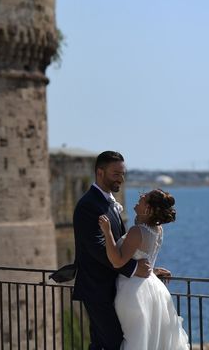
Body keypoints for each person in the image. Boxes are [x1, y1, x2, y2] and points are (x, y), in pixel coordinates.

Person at [72, 150, 151, 350]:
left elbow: (121, 245)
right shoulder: (88, 205)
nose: (121, 179)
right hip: (97, 288)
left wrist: (151, 273)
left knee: (102, 345)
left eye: (123, 174)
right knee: (113, 343)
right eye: (116, 174)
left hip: (113, 287)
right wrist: (133, 269)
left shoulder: (107, 202)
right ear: (100, 172)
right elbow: (97, 248)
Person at [99, 188, 190, 349]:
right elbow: (145, 260)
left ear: (148, 208)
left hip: (133, 293)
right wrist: (153, 271)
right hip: (154, 290)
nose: (141, 196)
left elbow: (117, 261)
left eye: (145, 197)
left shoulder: (137, 231)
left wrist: (107, 233)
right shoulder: (158, 230)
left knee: (135, 340)